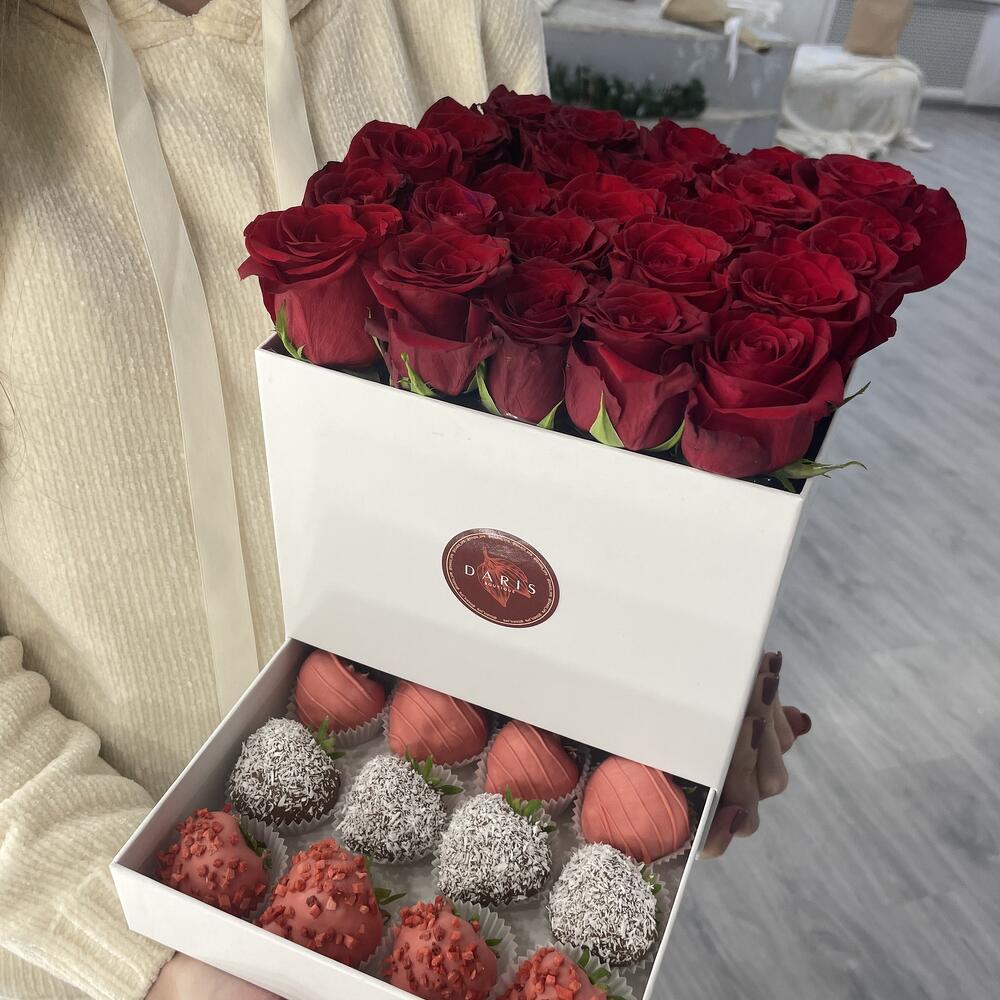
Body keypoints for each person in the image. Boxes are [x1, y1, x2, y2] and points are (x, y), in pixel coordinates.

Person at [0, 1, 809, 996]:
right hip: (86, 940)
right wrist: (143, 949)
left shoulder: (453, 13)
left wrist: (654, 694)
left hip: (454, 873)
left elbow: (529, 491)